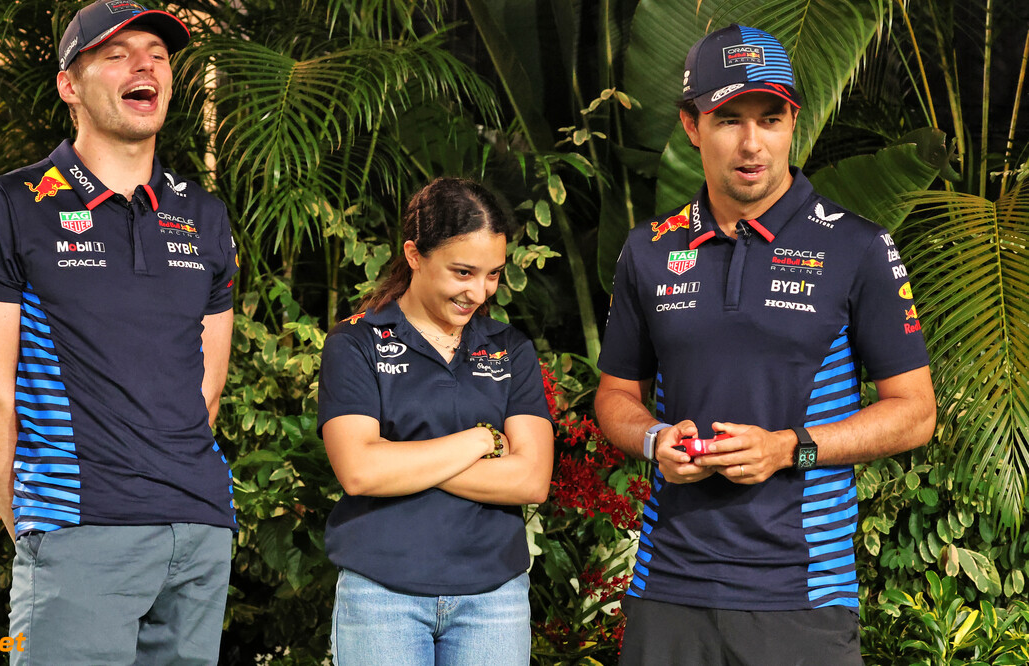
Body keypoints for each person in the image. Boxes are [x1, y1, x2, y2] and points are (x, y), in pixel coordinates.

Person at [594, 24, 936, 665]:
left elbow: (915, 412)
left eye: (771, 118)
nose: (753, 144)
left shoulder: (857, 246)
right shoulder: (648, 251)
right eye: (728, 119)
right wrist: (652, 439)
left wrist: (790, 449)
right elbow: (615, 394)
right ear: (691, 126)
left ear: (793, 123)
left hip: (802, 596)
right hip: (667, 590)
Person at [0, 2, 238, 663]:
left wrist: (190, 505)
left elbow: (207, 387)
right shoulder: (13, 205)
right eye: (116, 54)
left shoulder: (203, 213)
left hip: (197, 535)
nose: (146, 66)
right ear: (69, 85)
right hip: (80, 532)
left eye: (159, 55)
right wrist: (36, 530)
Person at [316, 177, 555, 664]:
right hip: (382, 592)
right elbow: (361, 472)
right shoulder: (355, 343)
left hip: (494, 595)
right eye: (463, 272)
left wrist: (401, 461)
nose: (479, 291)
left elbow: (531, 480)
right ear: (414, 255)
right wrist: (481, 438)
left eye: (492, 274)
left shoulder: (511, 349)